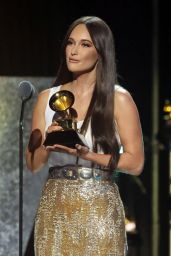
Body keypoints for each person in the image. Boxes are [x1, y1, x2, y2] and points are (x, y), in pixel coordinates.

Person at [26, 16, 144, 256]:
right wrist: (48, 144)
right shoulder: (47, 98)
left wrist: (88, 154)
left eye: (85, 45)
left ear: (100, 52)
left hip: (99, 204)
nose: (74, 51)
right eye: (70, 43)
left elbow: (136, 162)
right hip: (56, 204)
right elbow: (33, 165)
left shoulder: (118, 99)